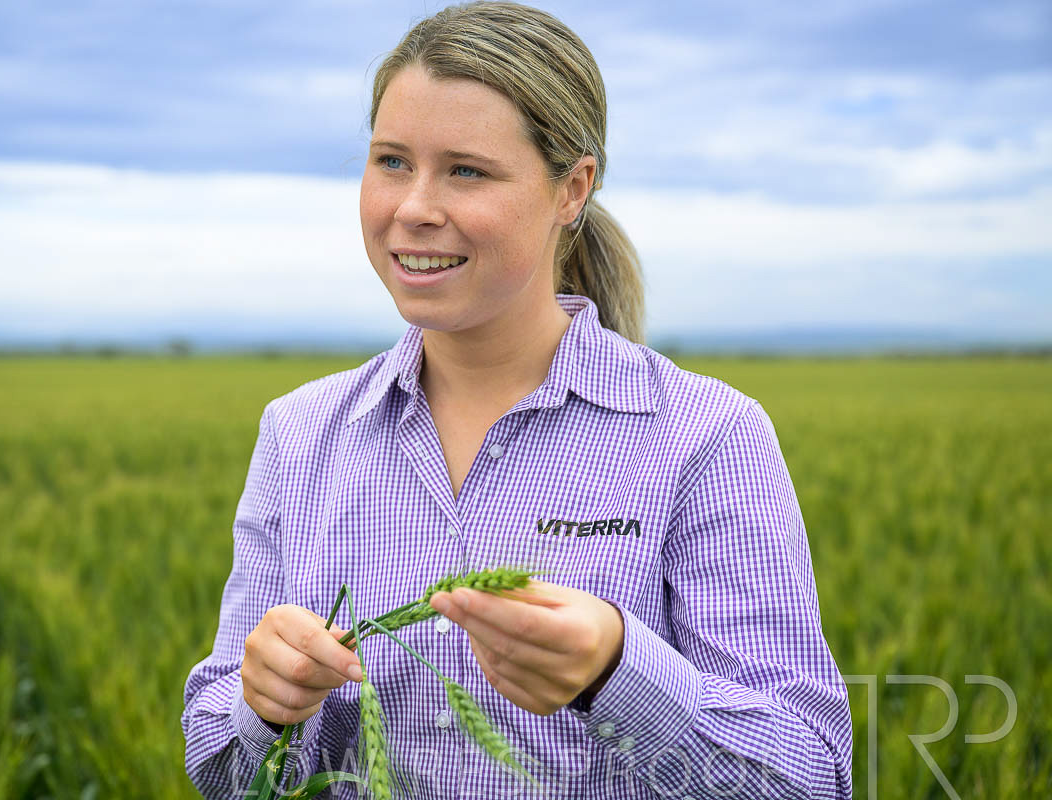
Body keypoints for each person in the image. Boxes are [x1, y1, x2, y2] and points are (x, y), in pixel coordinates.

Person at [182, 2, 853, 797]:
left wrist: (616, 671)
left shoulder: (706, 436)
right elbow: (218, 770)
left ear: (573, 189)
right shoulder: (300, 434)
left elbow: (810, 774)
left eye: (466, 170)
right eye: (392, 161)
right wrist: (264, 707)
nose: (413, 207)